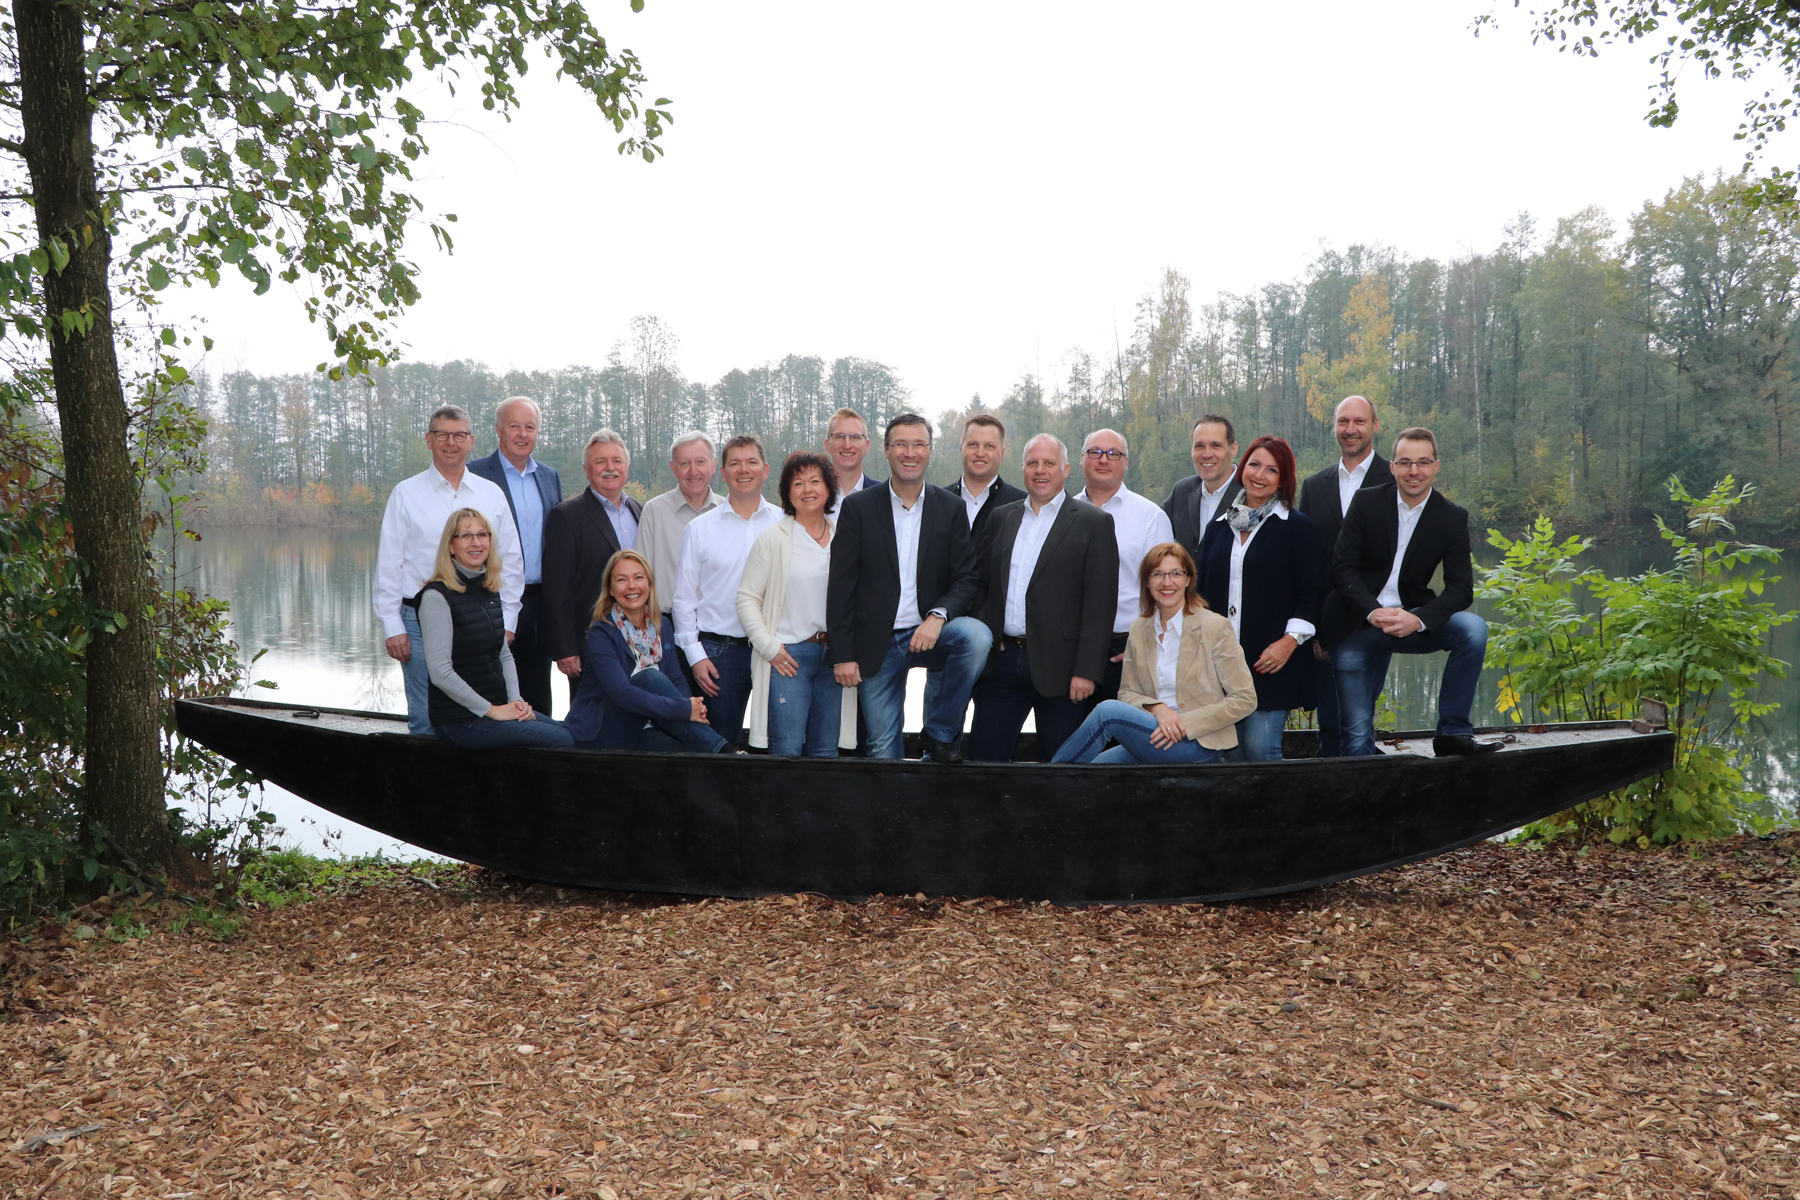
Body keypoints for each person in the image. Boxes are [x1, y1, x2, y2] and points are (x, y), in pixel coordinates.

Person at [1323, 426, 1497, 758]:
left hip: (1412, 621)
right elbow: (1342, 568)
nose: (1413, 471)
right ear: (1392, 467)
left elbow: (1461, 589)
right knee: (1356, 739)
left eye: (1422, 462)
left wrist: (1417, 621)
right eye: (1405, 463)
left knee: (1473, 629)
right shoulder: (1367, 501)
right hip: (1357, 623)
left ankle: (1453, 733)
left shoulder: (1451, 517)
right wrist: (1372, 611)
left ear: (1435, 466)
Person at [827, 412, 992, 762]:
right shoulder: (858, 508)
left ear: (930, 451)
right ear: (886, 450)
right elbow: (841, 586)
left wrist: (938, 615)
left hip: (929, 634)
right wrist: (843, 654)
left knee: (976, 636)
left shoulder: (950, 507)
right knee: (882, 750)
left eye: (918, 444)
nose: (910, 452)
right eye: (901, 444)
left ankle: (940, 732)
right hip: (876, 643)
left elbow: (967, 577)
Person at [966, 435, 1117, 762]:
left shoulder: (1094, 522)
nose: (1040, 470)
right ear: (1022, 468)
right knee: (984, 761)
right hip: (1003, 663)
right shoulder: (1002, 517)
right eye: (1033, 463)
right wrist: (988, 636)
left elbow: (1100, 605)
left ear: (1066, 469)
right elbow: (981, 585)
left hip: (1064, 670)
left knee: (1061, 765)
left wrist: (1087, 671)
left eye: (1049, 463)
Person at [374, 405, 523, 735]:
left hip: (479, 618)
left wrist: (508, 619)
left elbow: (511, 562)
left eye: (459, 435)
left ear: (471, 441)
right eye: (442, 435)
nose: (451, 443)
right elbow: (389, 563)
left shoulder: (491, 494)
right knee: (425, 717)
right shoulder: (406, 493)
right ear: (429, 440)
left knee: (483, 710)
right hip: (419, 620)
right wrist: (392, 625)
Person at [1052, 543, 1257, 764]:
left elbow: (1244, 698)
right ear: (1147, 582)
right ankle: (1053, 779)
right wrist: (1157, 708)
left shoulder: (1215, 627)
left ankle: (1047, 778)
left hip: (1198, 743)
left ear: (1188, 580)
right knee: (1095, 770)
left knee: (1106, 712)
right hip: (1153, 734)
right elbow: (1127, 693)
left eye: (1176, 573)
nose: (1167, 582)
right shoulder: (1139, 629)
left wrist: (1183, 723)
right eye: (1157, 574)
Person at [1195, 436, 1321, 762]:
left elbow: (1312, 593)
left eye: (1272, 470)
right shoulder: (1217, 529)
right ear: (1243, 468)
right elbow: (1200, 596)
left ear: (1283, 478)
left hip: (1271, 662)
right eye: (1254, 465)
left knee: (1260, 750)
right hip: (1221, 664)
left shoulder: (1297, 528)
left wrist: (1289, 642)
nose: (1260, 475)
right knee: (1230, 755)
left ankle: (1279, 801)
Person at [418, 508, 572, 750]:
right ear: (450, 546)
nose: (476, 543)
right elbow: (440, 672)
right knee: (560, 740)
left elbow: (504, 654)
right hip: (460, 720)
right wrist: (491, 710)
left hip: (498, 707)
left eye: (483, 535)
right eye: (466, 536)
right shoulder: (436, 597)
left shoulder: (488, 589)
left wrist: (516, 701)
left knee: (568, 732)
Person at [736, 452, 857, 756]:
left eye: (815, 481)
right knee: (786, 751)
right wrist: (769, 647)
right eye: (798, 483)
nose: (807, 490)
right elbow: (747, 598)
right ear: (788, 493)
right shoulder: (774, 538)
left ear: (829, 488)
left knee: (826, 752)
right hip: (789, 657)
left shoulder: (845, 536)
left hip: (835, 657)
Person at [1296, 395, 1393, 756]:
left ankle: (1364, 775)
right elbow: (1308, 563)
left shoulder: (1396, 478)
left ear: (1375, 426)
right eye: (1343, 422)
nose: (1351, 430)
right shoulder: (1314, 486)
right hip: (1328, 623)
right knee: (1330, 727)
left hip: (1377, 620)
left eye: (1359, 421)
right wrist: (1314, 627)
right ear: (1334, 427)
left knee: (1358, 722)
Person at [673, 434, 783, 746]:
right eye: (734, 463)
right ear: (722, 472)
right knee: (720, 746)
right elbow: (683, 599)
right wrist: (695, 656)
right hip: (719, 655)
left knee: (780, 743)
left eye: (751, 462)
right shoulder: (699, 529)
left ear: (765, 469)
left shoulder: (785, 523)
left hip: (775, 651)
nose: (743, 470)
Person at [564, 550, 731, 753]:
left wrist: (693, 707)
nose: (632, 586)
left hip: (645, 728)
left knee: (687, 756)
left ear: (649, 584)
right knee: (649, 678)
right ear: (610, 589)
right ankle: (726, 753)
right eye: (622, 580)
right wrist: (684, 709)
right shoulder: (601, 633)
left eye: (638, 577)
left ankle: (723, 756)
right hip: (601, 732)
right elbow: (621, 693)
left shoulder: (662, 625)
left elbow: (675, 678)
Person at [467, 396, 563, 715]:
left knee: (538, 694)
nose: (522, 434)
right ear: (498, 429)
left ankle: (542, 743)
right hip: (488, 601)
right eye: (514, 426)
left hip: (538, 603)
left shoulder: (549, 476)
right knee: (493, 690)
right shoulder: (474, 474)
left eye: (530, 427)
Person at [1073, 428, 1175, 705]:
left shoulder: (1150, 517)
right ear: (1081, 459)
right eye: (1095, 452)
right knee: (1068, 731)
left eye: (1113, 454)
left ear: (1126, 462)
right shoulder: (1063, 513)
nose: (1103, 459)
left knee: (1123, 731)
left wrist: (1148, 645)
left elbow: (1168, 588)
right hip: (1070, 650)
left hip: (1127, 648)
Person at [542, 430, 643, 680]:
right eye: (600, 462)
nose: (610, 468)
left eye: (617, 461)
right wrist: (565, 649)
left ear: (627, 467)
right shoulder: (566, 517)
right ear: (587, 469)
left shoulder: (641, 512)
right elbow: (557, 589)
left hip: (640, 641)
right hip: (591, 643)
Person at [637, 431, 724, 619]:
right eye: (685, 464)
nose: (693, 471)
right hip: (668, 624)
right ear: (673, 468)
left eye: (700, 462)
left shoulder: (728, 513)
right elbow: (640, 575)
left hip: (720, 625)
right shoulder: (654, 511)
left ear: (714, 465)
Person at [1163, 414, 1241, 563]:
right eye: (1199, 446)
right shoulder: (1182, 492)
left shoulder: (1251, 495)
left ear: (1233, 449)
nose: (1206, 454)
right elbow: (1152, 531)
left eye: (1216, 445)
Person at [945, 414, 1026, 541]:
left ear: (1002, 453)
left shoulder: (1022, 505)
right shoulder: (938, 503)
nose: (980, 453)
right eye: (973, 444)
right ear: (961, 449)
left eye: (989, 446)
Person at [824, 407, 883, 496]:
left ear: (867, 446)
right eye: (840, 436)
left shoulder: (884, 496)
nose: (847, 445)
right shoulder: (813, 495)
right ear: (827, 445)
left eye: (855, 437)